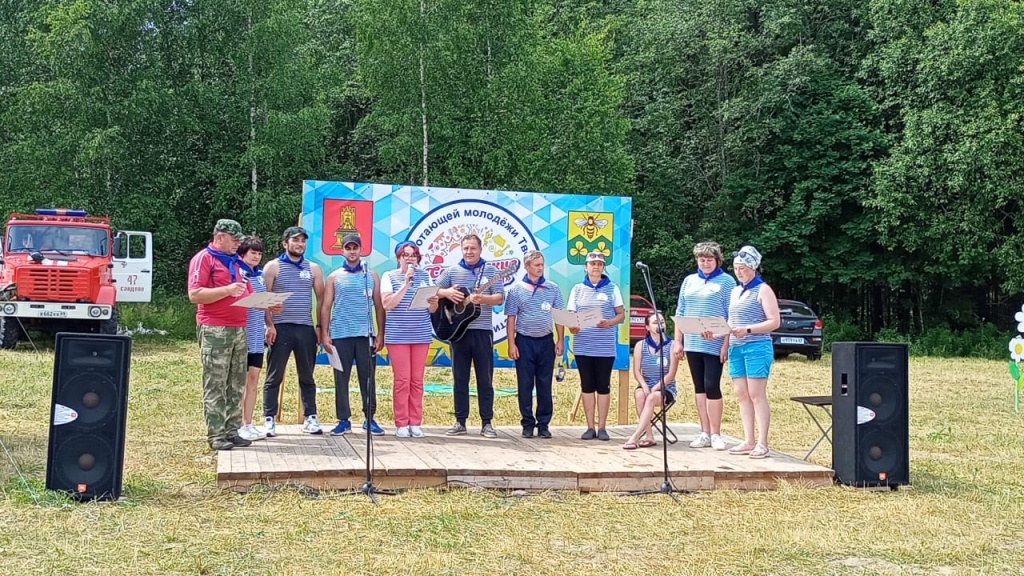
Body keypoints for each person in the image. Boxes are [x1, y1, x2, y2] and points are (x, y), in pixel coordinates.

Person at [186, 219, 253, 451]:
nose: (237, 244)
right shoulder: (204, 259)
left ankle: (232, 430)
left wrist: (266, 304)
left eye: (239, 240)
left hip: (239, 327)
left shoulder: (236, 263)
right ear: (219, 237)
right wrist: (226, 290)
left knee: (236, 382)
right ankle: (216, 434)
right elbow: (194, 295)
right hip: (215, 328)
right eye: (234, 240)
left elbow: (247, 293)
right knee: (216, 382)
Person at [436, 234, 505, 438]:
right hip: (458, 333)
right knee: (460, 378)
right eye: (465, 248)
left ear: (480, 249)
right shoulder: (452, 271)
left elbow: (500, 297)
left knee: (485, 378)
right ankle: (460, 421)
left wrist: (482, 298)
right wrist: (447, 293)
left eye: (472, 248)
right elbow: (434, 290)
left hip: (482, 333)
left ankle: (487, 422)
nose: (469, 252)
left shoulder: (491, 271)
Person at [671, 241, 736, 451]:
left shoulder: (727, 282)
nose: (705, 263)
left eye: (709, 259)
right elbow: (681, 311)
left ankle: (716, 433)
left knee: (711, 385)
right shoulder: (689, 281)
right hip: (693, 341)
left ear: (717, 260)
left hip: (715, 341)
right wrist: (678, 341)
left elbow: (731, 315)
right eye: (701, 259)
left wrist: (725, 344)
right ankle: (704, 432)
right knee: (699, 387)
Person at [320, 233, 386, 436]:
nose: (352, 251)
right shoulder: (334, 276)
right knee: (341, 378)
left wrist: (380, 333)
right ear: (342, 250)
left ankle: (369, 418)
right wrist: (324, 334)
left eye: (355, 247)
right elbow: (325, 307)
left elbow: (379, 306)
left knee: (368, 378)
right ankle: (343, 419)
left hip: (365, 335)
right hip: (340, 335)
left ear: (361, 249)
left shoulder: (371, 275)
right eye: (348, 248)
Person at [262, 226, 326, 436]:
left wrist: (320, 327)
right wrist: (269, 325)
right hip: (280, 328)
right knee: (274, 375)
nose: (299, 244)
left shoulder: (314, 268)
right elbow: (264, 299)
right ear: (285, 243)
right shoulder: (273, 267)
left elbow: (322, 301)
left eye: (302, 241)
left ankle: (311, 417)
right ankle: (269, 418)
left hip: (305, 328)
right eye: (295, 240)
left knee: (307, 375)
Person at [726, 245, 781, 459]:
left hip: (757, 345)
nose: (739, 272)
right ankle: (748, 439)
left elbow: (774, 321)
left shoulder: (763, 289)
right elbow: (731, 320)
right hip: (735, 346)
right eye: (736, 268)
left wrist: (748, 329)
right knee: (741, 393)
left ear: (753, 268)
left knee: (756, 393)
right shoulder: (735, 290)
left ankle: (762, 442)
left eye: (742, 268)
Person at [380, 241, 438, 438]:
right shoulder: (389, 276)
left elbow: (431, 309)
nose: (410, 258)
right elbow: (388, 304)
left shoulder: (426, 276)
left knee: (417, 380)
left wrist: (434, 303)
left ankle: (415, 421)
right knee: (402, 380)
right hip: (398, 336)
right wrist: (406, 284)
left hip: (421, 334)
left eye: (413, 255)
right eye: (405, 255)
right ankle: (401, 422)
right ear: (399, 258)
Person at [505, 250, 565, 439]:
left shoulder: (552, 288)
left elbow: (559, 315)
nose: (540, 268)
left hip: (546, 341)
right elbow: (511, 318)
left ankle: (544, 423)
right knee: (524, 384)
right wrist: (511, 343)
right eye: (537, 265)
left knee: (545, 384)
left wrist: (560, 339)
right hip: (524, 341)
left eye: (542, 265)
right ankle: (527, 423)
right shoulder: (516, 290)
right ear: (527, 266)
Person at [567, 251, 625, 441]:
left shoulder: (612, 288)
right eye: (592, 264)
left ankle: (602, 427)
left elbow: (621, 315)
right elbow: (570, 316)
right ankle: (589, 426)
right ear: (586, 267)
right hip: (583, 345)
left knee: (603, 385)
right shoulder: (577, 289)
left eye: (599, 264)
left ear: (603, 267)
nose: (596, 267)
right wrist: (573, 327)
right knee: (587, 385)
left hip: (605, 346)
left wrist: (609, 322)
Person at [236, 236, 276, 442]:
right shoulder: (237, 272)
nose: (256, 257)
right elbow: (237, 300)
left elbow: (263, 304)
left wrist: (269, 320)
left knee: (253, 380)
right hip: (240, 333)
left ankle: (248, 422)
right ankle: (236, 424)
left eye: (259, 253)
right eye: (253, 253)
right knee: (239, 382)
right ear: (243, 253)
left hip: (256, 335)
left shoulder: (260, 275)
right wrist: (261, 303)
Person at [623, 312, 679, 450]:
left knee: (651, 397)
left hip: (666, 387)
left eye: (662, 321)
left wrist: (655, 388)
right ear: (647, 327)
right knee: (640, 395)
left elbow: (671, 374)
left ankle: (635, 436)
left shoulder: (672, 345)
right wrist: (644, 385)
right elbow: (637, 371)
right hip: (646, 384)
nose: (659, 325)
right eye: (655, 322)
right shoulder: (640, 345)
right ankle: (649, 435)